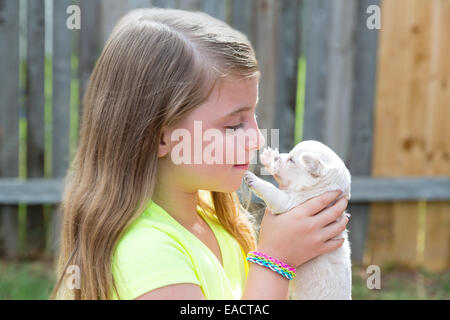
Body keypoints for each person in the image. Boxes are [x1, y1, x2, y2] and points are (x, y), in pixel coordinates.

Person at [50, 8, 348, 300]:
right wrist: (275, 260)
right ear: (162, 137)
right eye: (233, 125)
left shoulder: (213, 223)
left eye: (253, 116)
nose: (257, 139)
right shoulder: (147, 254)